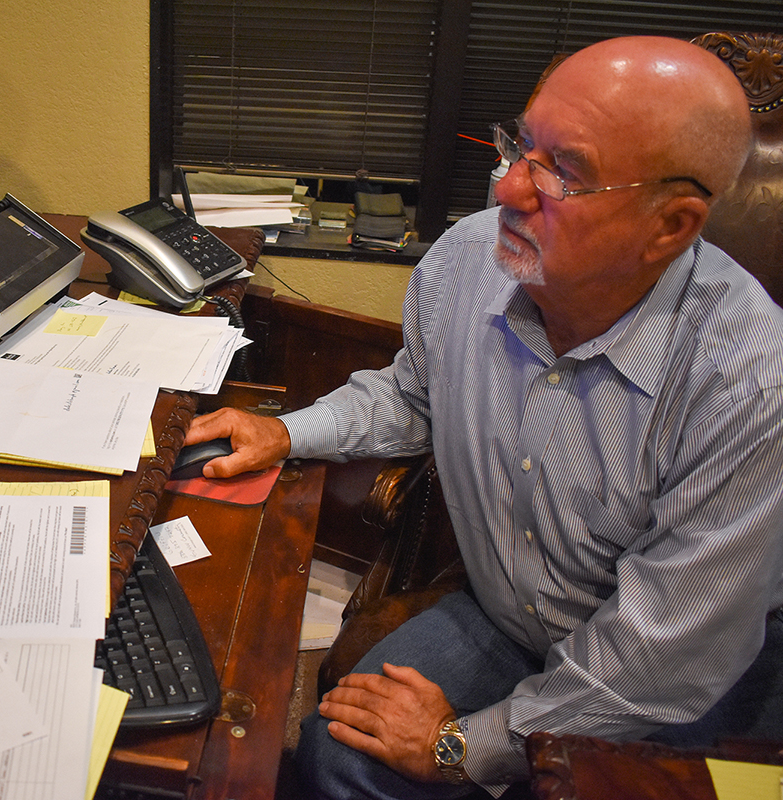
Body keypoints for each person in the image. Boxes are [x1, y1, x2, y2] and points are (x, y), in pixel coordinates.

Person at [184, 36, 783, 798]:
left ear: (670, 226)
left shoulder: (752, 390)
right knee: (333, 755)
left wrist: (463, 745)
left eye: (564, 171)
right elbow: (412, 396)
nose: (508, 190)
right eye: (521, 146)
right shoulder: (469, 259)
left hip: (681, 680)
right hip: (512, 617)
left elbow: (664, 657)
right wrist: (288, 431)